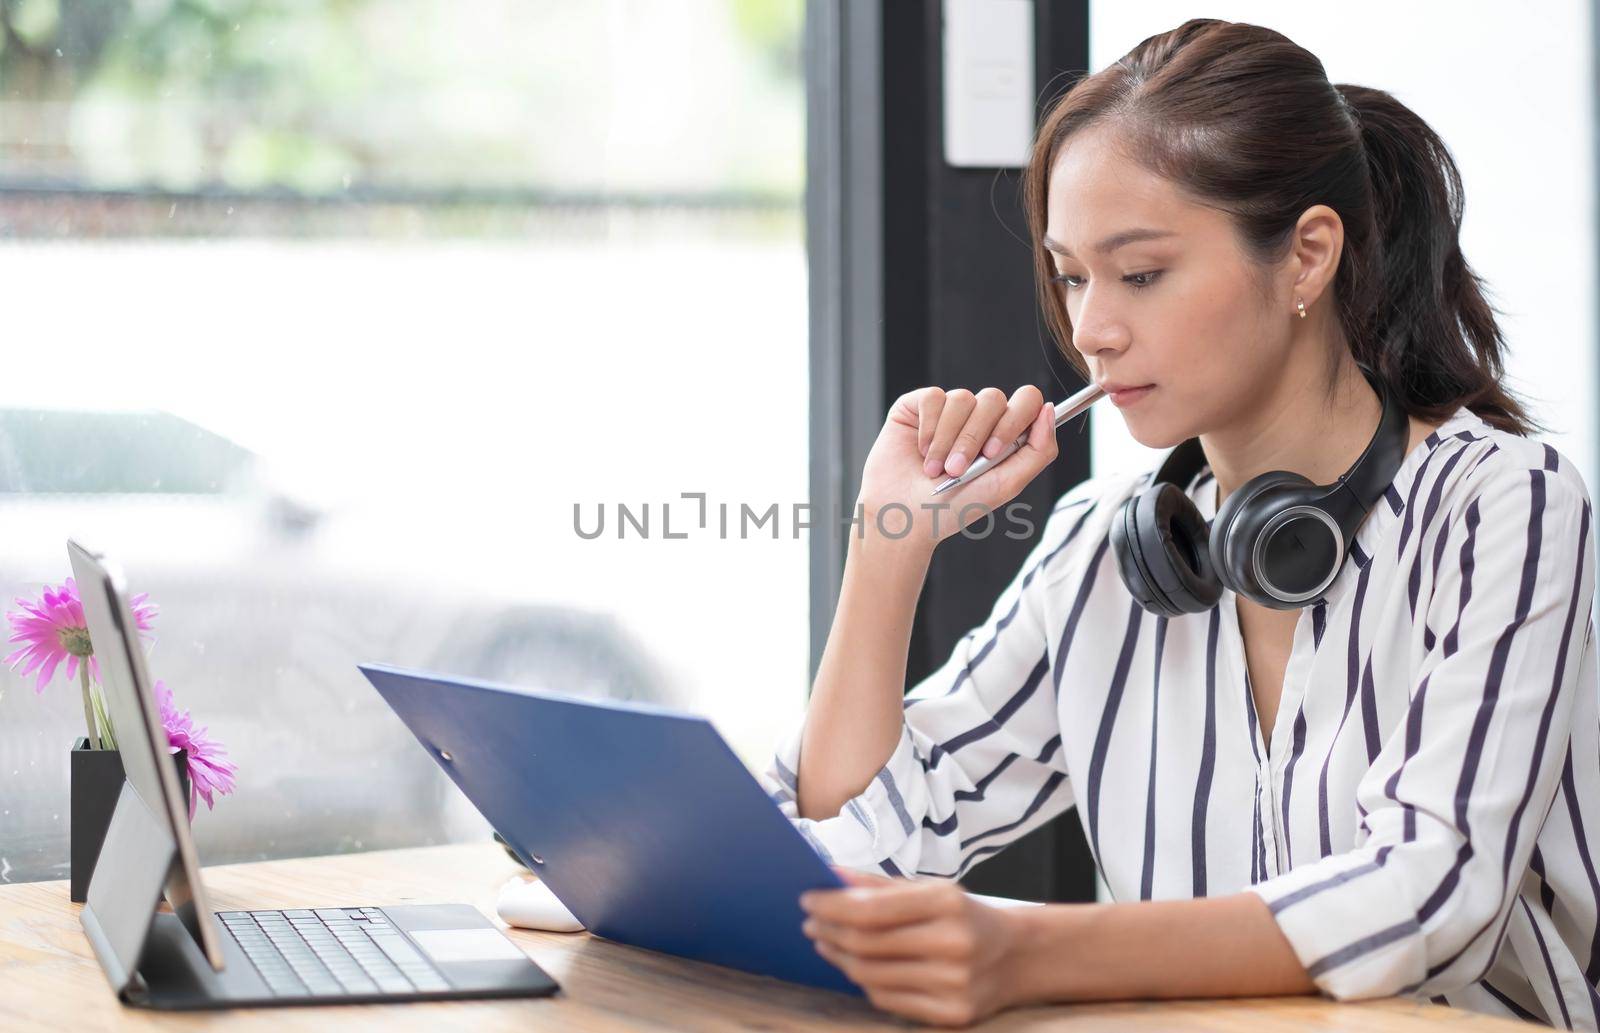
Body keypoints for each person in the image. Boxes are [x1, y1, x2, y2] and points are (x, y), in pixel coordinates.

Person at [761, 17, 1599, 1030]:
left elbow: (1427, 892)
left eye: (1141, 274)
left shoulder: (1498, 505)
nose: (1088, 329)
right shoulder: (1103, 545)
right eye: (1072, 275)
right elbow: (862, 847)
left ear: (1305, 258)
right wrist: (887, 544)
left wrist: (1027, 950)